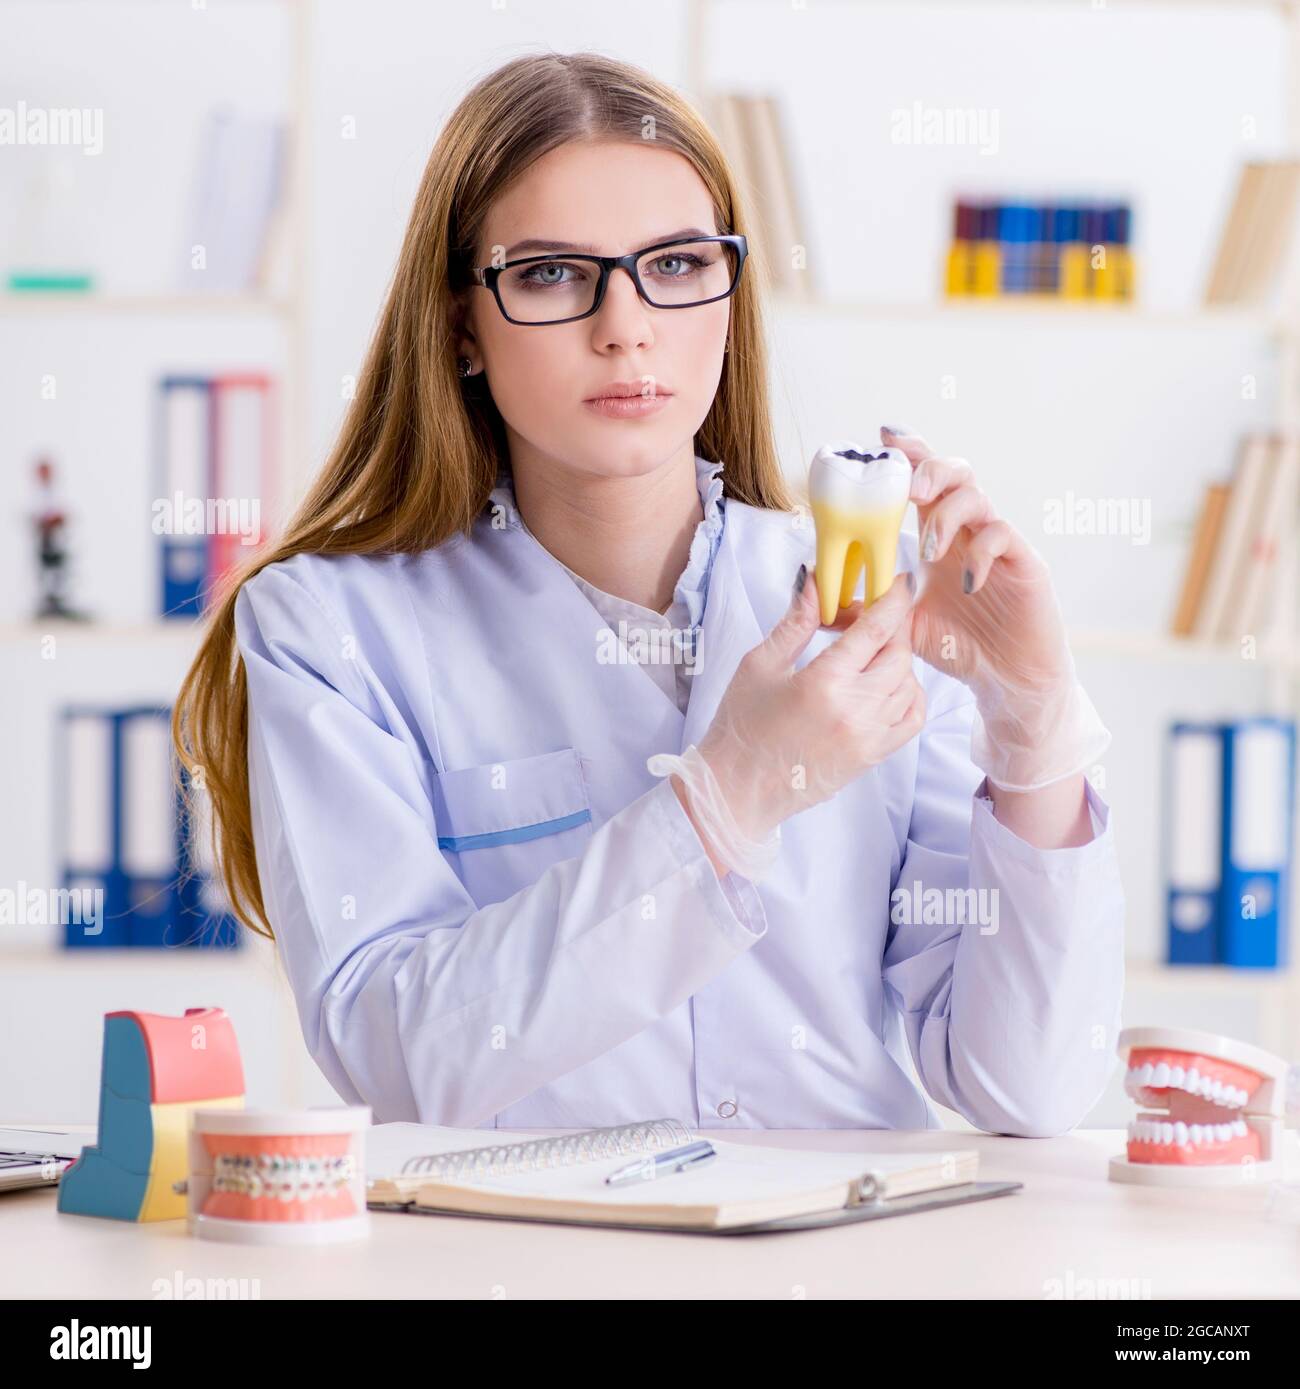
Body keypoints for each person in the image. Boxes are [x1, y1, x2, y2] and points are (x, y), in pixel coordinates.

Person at [172, 52, 1123, 1134]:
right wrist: (730, 795)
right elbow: (396, 1056)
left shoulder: (880, 609)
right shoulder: (331, 625)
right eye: (549, 274)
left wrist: (1033, 724)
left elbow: (1026, 1090)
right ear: (459, 328)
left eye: (673, 265)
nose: (625, 324)